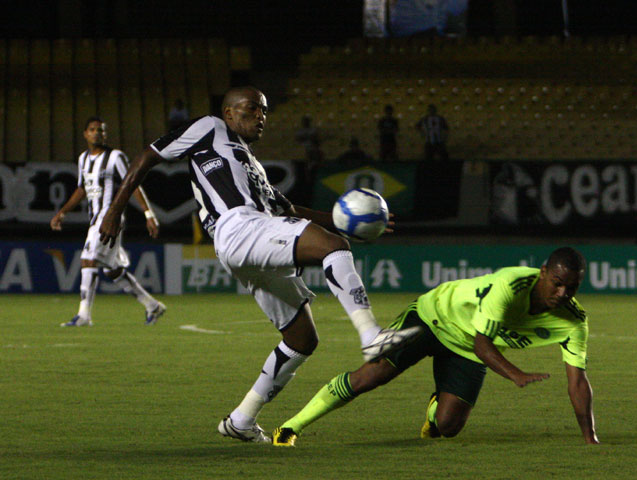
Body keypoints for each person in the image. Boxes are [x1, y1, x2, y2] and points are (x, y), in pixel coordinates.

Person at [98, 87, 421, 443]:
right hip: (238, 227)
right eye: (252, 109)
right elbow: (148, 155)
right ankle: (371, 336)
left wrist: (337, 218)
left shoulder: (250, 164)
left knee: (302, 339)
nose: (261, 116)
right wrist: (114, 210)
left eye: (265, 111)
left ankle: (241, 419)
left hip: (248, 240)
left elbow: (288, 210)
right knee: (333, 247)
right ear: (229, 113)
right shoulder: (208, 127)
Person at [272, 247, 599, 447]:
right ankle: (289, 428)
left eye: (571, 288)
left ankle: (435, 406)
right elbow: (485, 344)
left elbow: (578, 382)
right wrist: (515, 374)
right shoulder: (510, 287)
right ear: (543, 273)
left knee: (447, 428)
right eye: (557, 284)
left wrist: (589, 438)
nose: (562, 294)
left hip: (466, 347)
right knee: (371, 376)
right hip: (433, 315)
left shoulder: (573, 321)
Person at [50, 117, 166, 327]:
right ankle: (152, 305)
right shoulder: (83, 159)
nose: (97, 134)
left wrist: (148, 214)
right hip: (95, 217)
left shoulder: (115, 157)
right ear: (85, 134)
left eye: (101, 131)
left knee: (88, 259)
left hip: (110, 217)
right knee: (112, 270)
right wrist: (62, 212)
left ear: (106, 134)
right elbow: (82, 189)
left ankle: (84, 315)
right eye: (93, 130)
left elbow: (133, 183)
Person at [294, 115, 324, 180]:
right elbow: (298, 140)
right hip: (303, 149)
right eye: (305, 121)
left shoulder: (313, 130)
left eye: (307, 121)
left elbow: (317, 139)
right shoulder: (300, 131)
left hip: (312, 149)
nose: (306, 122)